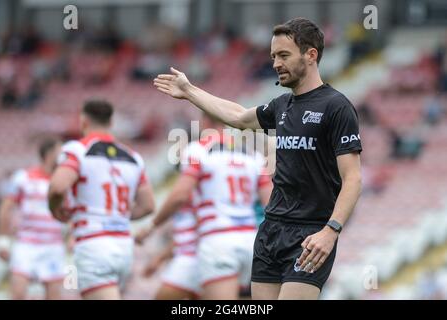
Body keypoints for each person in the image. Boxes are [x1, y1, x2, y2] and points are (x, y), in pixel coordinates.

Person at [153, 17, 362, 300]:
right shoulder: (281, 105)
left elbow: (353, 178)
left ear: (311, 55)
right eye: (274, 56)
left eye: (284, 55)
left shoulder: (336, 107)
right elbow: (238, 117)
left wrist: (331, 231)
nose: (276, 63)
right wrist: (190, 92)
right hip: (270, 231)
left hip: (310, 234)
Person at [136, 113, 272, 299]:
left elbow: (180, 195)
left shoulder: (197, 150)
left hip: (217, 240)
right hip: (250, 241)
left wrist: (151, 226)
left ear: (204, 122)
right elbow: (271, 204)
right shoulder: (252, 154)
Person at [48, 99, 155, 300]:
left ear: (83, 121)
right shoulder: (133, 157)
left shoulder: (78, 150)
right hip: (124, 246)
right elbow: (148, 205)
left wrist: (55, 209)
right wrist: (116, 216)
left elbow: (57, 187)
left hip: (93, 243)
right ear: (111, 123)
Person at [0, 138, 66, 300]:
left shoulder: (63, 182)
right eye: (60, 152)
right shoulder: (23, 177)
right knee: (18, 293)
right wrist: (3, 241)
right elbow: (6, 208)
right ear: (49, 154)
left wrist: (72, 238)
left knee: (55, 295)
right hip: (26, 244)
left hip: (53, 246)